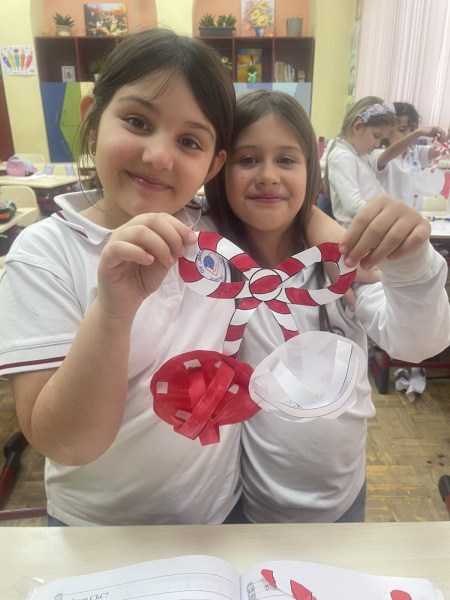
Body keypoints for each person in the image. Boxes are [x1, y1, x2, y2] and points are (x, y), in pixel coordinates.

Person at [0, 28, 243, 527]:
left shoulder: (220, 237)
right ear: (91, 120)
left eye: (189, 141)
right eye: (137, 121)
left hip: (218, 520)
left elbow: (292, 219)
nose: (158, 156)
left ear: (213, 165)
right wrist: (114, 310)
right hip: (95, 533)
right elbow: (66, 443)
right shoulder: (45, 254)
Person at [205, 89, 450, 523]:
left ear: (310, 170)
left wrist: (413, 266)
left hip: (343, 500)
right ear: (221, 170)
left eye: (286, 160)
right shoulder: (211, 270)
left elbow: (417, 343)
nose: (267, 175)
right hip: (252, 505)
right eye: (248, 159)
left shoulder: (341, 269)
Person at [326, 96, 397, 228]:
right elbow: (353, 206)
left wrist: (394, 211)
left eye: (381, 139)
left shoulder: (361, 156)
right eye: (376, 136)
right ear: (358, 127)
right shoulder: (342, 157)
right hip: (357, 232)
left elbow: (377, 190)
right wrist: (388, 218)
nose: (377, 144)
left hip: (371, 227)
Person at [370, 101, 446, 211]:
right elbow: (388, 155)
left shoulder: (414, 152)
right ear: (386, 131)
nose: (409, 134)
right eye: (402, 129)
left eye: (413, 129)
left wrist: (446, 138)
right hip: (389, 217)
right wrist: (417, 133)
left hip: (413, 215)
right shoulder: (378, 153)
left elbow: (441, 149)